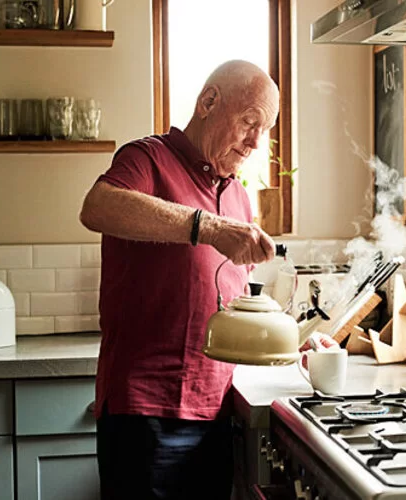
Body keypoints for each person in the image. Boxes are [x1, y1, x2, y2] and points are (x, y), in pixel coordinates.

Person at [79, 60, 332, 500]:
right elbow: (97, 207)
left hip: (216, 411)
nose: (256, 141)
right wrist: (209, 227)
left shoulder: (237, 195)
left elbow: (231, 311)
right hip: (146, 411)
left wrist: (293, 348)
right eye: (250, 122)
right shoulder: (147, 158)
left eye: (265, 129)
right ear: (208, 102)